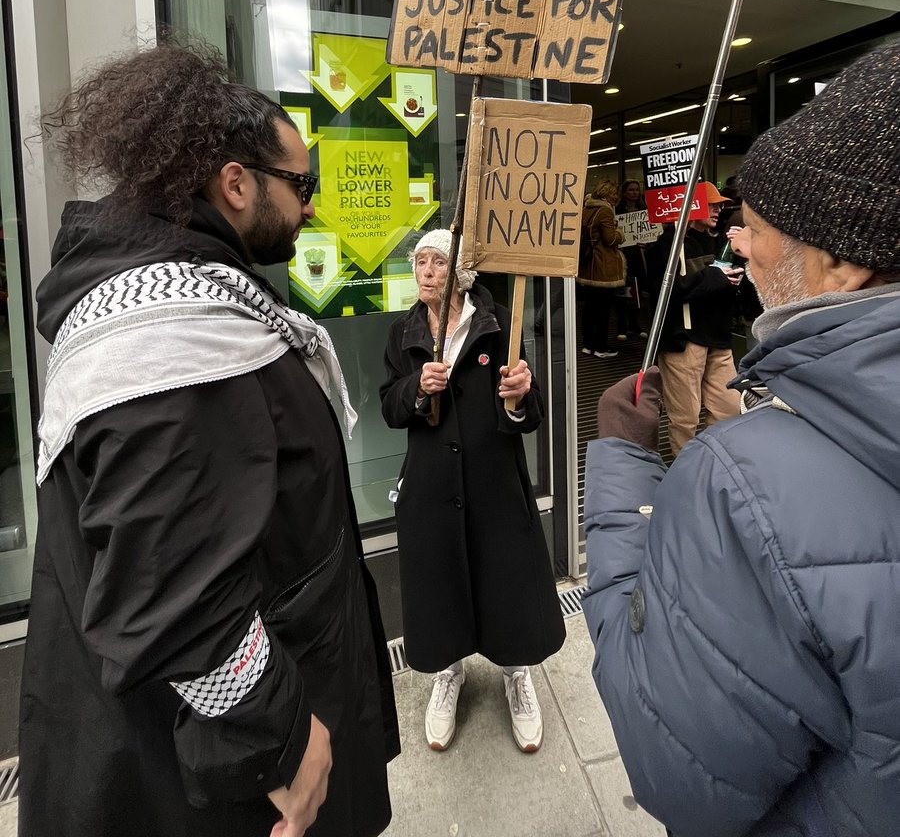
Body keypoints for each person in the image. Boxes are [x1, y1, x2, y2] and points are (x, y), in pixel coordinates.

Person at [19, 43, 399, 837]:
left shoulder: (176, 300)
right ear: (236, 183)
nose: (313, 209)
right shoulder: (168, 345)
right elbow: (174, 603)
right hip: (232, 785)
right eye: (302, 187)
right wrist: (286, 740)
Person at [582, 40, 900, 836]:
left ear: (842, 259)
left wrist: (621, 469)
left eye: (758, 228)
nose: (743, 245)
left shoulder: (741, 486)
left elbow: (667, 756)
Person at [380, 230, 565, 755]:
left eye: (438, 262)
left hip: (494, 484)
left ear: (460, 272)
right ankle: (448, 672)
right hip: (432, 487)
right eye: (420, 263)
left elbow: (527, 413)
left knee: (505, 583)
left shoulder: (498, 322)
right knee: (442, 591)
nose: (426, 272)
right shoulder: (404, 333)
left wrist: (518, 397)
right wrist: (417, 388)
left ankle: (516, 672)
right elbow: (389, 408)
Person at [647, 180, 744, 453]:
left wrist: (740, 258)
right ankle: (685, 474)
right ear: (692, 205)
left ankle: (714, 465)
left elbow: (727, 286)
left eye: (718, 205)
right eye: (710, 205)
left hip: (718, 339)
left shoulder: (718, 241)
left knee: (728, 409)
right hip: (685, 340)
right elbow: (669, 293)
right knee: (685, 418)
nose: (717, 210)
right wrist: (715, 276)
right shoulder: (667, 247)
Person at [577, 180, 626, 359]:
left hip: (588, 265)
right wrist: (620, 232)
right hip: (602, 266)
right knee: (603, 309)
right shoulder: (605, 210)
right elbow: (610, 239)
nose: (616, 198)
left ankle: (587, 344)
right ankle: (601, 347)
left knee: (590, 308)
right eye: (614, 194)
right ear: (607, 194)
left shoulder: (587, 209)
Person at [614, 179, 652, 340]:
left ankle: (634, 325)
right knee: (623, 293)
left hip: (640, 257)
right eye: (631, 190)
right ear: (624, 192)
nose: (634, 192)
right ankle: (622, 326)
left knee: (637, 294)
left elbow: (652, 233)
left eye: (637, 189)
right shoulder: (617, 211)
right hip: (623, 257)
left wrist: (647, 244)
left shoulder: (644, 211)